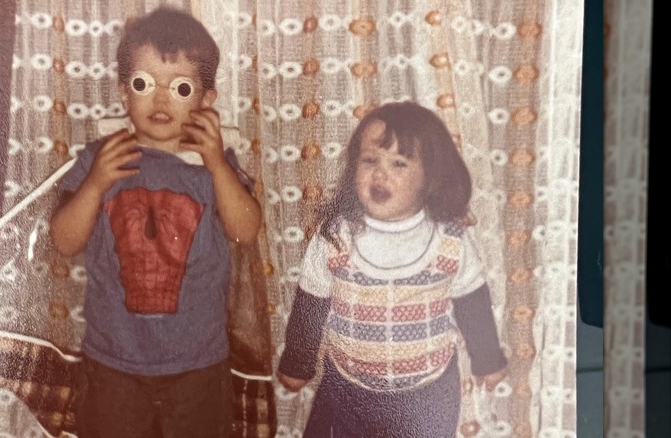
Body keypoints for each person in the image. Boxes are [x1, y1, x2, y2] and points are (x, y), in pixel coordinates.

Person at [49, 7, 261, 437]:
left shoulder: (214, 165)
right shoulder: (101, 159)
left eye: (180, 87)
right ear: (124, 93)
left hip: (198, 363)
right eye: (144, 84)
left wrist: (217, 165)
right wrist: (95, 184)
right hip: (112, 362)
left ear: (205, 100)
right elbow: (64, 241)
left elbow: (246, 231)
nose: (161, 100)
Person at [276, 101, 508, 437]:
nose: (380, 173)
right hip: (346, 388)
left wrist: (487, 359)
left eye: (399, 163)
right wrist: (298, 362)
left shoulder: (449, 240)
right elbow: (310, 302)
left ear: (430, 178)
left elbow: (472, 300)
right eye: (370, 160)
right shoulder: (335, 237)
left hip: (427, 395)